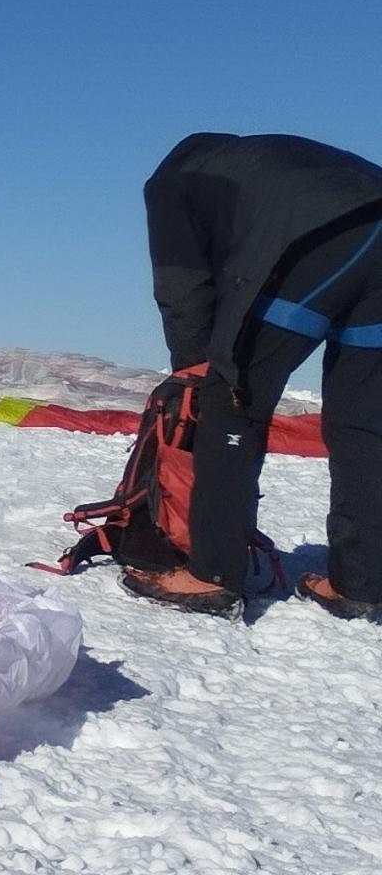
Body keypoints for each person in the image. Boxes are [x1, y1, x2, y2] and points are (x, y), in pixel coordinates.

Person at [135, 131, 382, 619]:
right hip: (364, 225)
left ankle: (212, 575)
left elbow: (181, 281)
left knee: (232, 402)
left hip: (324, 237)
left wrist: (195, 369)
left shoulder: (169, 182)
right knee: (361, 422)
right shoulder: (247, 166)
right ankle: (361, 584)